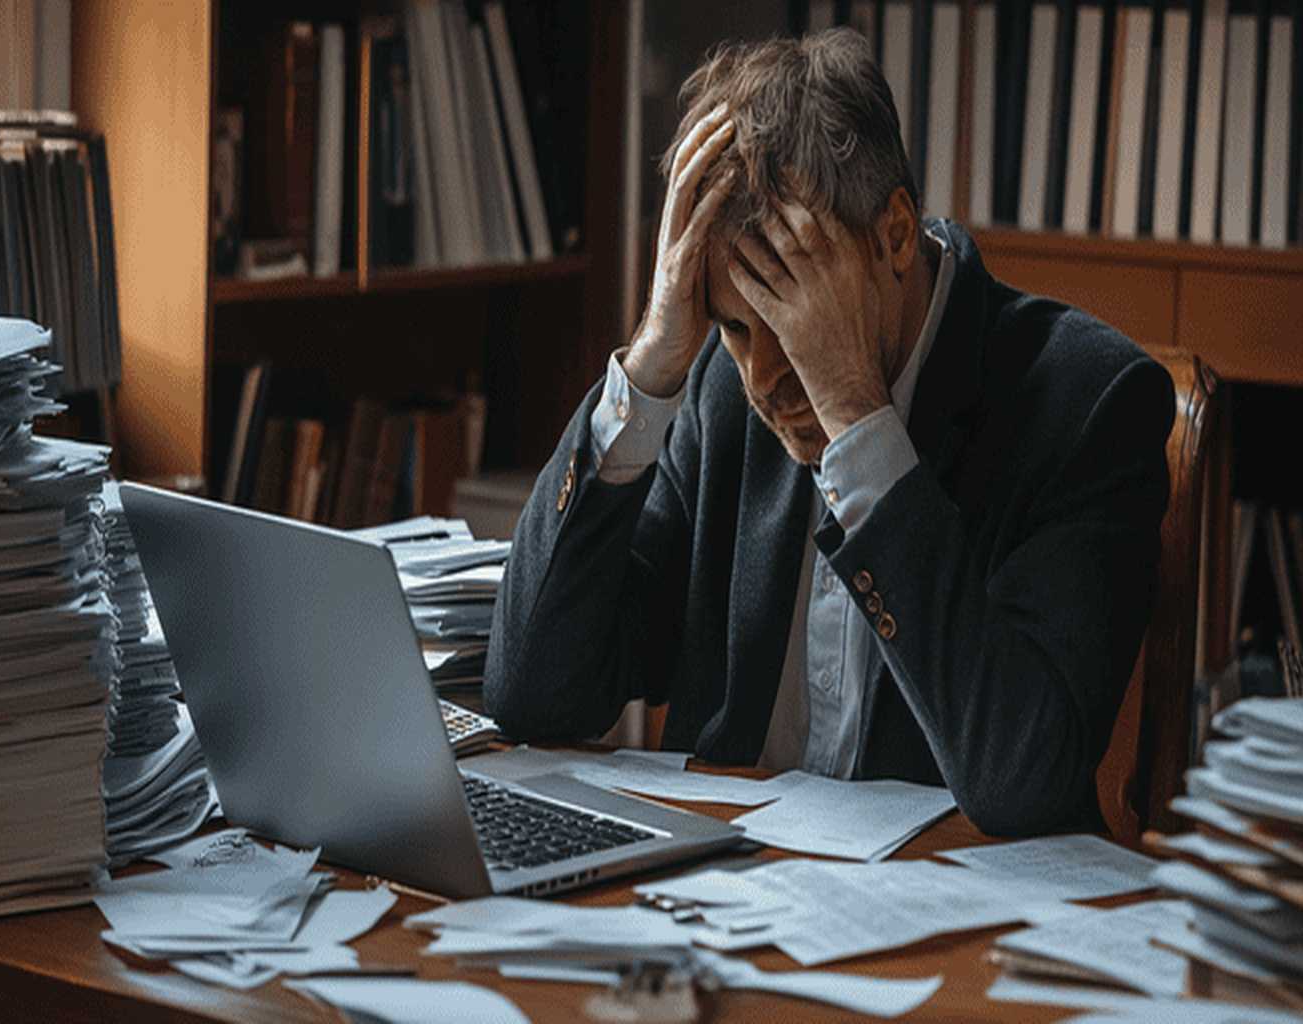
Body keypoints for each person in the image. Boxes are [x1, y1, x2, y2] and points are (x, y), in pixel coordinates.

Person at [484, 29, 1173, 836]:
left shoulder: (1092, 403)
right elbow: (533, 693)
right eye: (739, 327)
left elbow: (1020, 780)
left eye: (795, 316)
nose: (766, 377)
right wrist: (651, 367)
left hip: (946, 930)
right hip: (722, 908)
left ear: (894, 234)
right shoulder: (717, 386)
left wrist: (857, 418)